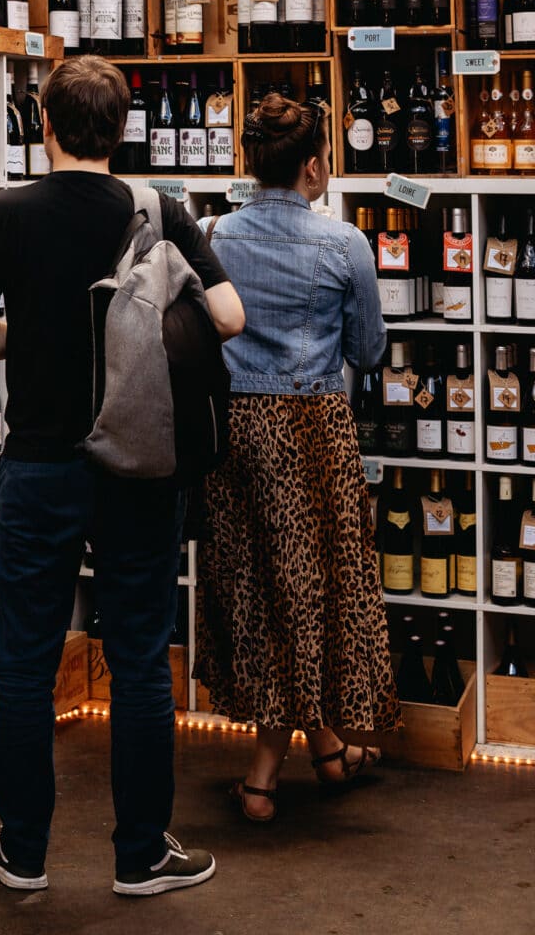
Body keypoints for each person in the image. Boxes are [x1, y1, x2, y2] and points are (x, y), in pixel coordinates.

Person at [0, 56, 244, 896]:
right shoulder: (160, 208)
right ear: (121, 130)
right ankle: (142, 854)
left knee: (28, 661)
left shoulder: (0, 215)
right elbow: (228, 316)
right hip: (140, 462)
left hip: (40, 465)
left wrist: (34, 337)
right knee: (143, 660)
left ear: (42, 124)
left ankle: (24, 851)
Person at [194, 92, 398, 823]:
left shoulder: (211, 234)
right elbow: (370, 353)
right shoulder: (343, 246)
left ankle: (328, 747)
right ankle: (261, 780)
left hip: (236, 432)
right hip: (312, 428)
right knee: (313, 592)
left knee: (256, 590)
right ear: (313, 167)